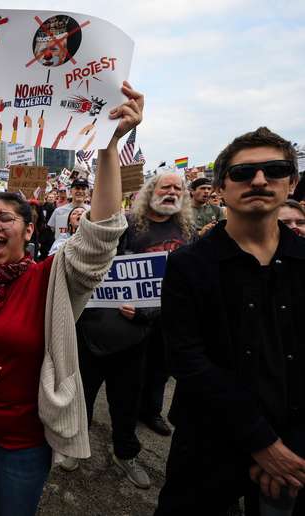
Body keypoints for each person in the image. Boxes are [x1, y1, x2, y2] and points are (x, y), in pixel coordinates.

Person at [0, 82, 143, 516]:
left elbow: (99, 238)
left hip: (23, 444)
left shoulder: (52, 278)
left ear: (29, 230)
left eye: (5, 217)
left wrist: (107, 144)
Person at [155, 127, 305, 515]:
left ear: (292, 181)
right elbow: (187, 360)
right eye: (242, 173)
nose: (259, 180)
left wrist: (289, 449)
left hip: (292, 451)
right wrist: (261, 443)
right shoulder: (189, 264)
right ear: (223, 186)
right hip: (207, 443)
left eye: (274, 170)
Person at [67, 173, 194, 488]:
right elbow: (94, 263)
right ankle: (72, 447)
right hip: (95, 329)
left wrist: (147, 312)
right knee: (81, 395)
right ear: (151, 191)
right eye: (165, 186)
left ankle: (125, 454)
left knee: (126, 402)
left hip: (140, 335)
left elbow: (185, 288)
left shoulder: (187, 233)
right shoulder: (124, 224)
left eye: (178, 188)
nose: (171, 192)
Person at [47, 178, 91, 244]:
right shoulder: (58, 211)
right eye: (77, 188)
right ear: (70, 191)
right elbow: (51, 231)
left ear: (87, 192)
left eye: (83, 189)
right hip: (62, 251)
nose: (80, 191)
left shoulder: (92, 212)